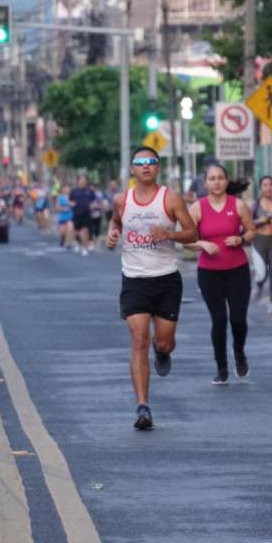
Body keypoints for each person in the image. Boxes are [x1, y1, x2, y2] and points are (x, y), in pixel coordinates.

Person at [106, 147, 198, 430]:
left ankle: (163, 352)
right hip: (134, 279)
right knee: (138, 339)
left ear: (158, 168)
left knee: (163, 341)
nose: (145, 167)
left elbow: (193, 232)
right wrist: (113, 233)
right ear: (132, 168)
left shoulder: (170, 198)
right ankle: (142, 407)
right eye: (140, 163)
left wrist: (169, 233)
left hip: (166, 278)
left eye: (151, 162)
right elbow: (116, 221)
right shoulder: (122, 200)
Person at [185, 162, 257, 385]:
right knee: (219, 320)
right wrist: (202, 245)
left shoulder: (238, 205)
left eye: (220, 178)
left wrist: (241, 239)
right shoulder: (197, 207)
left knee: (238, 319)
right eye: (212, 178)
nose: (216, 182)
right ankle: (221, 367)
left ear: (226, 181)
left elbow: (252, 230)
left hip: (237, 269)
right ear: (205, 183)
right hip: (209, 272)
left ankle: (239, 352)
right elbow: (186, 240)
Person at [250, 175, 272, 313]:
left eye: (270, 184)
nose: (268, 188)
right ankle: (258, 285)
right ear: (260, 187)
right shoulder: (255, 205)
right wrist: (260, 220)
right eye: (265, 185)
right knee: (261, 274)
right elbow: (247, 224)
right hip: (258, 242)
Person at [70, 175, 95, 256]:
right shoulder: (74, 191)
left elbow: (93, 201)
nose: (82, 182)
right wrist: (72, 204)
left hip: (86, 214)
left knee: (85, 231)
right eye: (81, 181)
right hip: (77, 214)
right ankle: (77, 243)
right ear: (78, 182)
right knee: (77, 231)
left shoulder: (90, 191)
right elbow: (70, 201)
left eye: (84, 181)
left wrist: (92, 206)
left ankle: (84, 248)